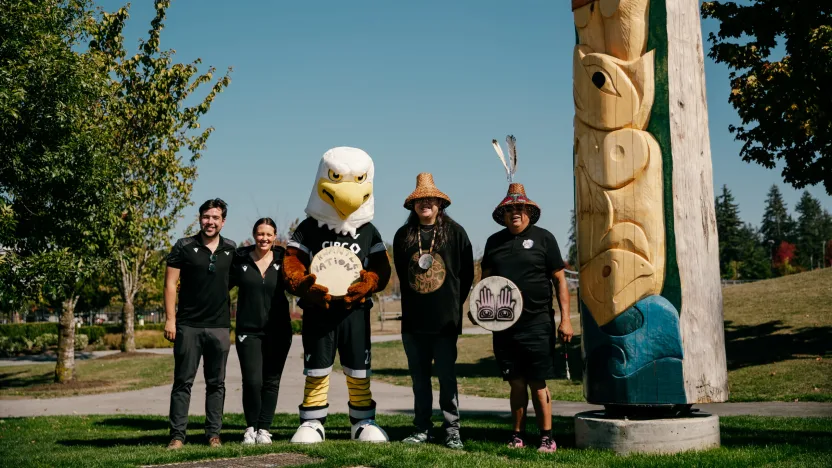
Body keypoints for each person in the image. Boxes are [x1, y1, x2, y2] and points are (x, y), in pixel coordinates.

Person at [283, 146, 392, 443]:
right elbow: (292, 263)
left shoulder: (368, 230)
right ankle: (312, 421)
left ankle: (362, 421)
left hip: (356, 312)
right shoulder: (308, 228)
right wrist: (304, 284)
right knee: (317, 367)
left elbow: (382, 268)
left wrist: (369, 282)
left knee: (358, 368)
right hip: (319, 311)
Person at [477, 183, 573, 453]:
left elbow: (559, 280)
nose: (515, 213)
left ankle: (547, 437)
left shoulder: (544, 238)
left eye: (519, 208)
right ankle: (517, 435)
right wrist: (481, 310)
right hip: (504, 326)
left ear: (529, 211)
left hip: (537, 323)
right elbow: (486, 282)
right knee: (516, 382)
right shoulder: (494, 242)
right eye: (510, 210)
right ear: (503, 215)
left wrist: (566, 319)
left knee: (537, 382)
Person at [392, 173, 474, 450]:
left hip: (445, 322)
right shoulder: (404, 235)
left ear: (439, 203)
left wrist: (451, 303)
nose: (425, 203)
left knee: (447, 378)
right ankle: (421, 428)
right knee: (419, 380)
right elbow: (403, 276)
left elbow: (467, 274)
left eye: (430, 199)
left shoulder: (456, 233)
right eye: (419, 200)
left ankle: (452, 430)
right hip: (413, 321)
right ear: (413, 205)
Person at [163, 198, 236, 449]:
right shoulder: (184, 246)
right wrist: (171, 320)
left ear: (223, 221)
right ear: (199, 218)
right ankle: (177, 436)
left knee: (217, 383)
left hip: (219, 326)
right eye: (206, 216)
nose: (210, 221)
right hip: (188, 325)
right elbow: (170, 284)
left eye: (215, 217)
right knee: (183, 382)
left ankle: (213, 434)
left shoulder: (231, 249)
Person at [229, 218, 293, 445]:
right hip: (248, 331)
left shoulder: (284, 260)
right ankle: (251, 427)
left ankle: (264, 429)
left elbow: (299, 283)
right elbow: (219, 286)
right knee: (252, 381)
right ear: (254, 235)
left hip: (279, 331)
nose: (264, 238)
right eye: (260, 234)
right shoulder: (240, 260)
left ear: (275, 236)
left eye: (268, 234)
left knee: (271, 381)